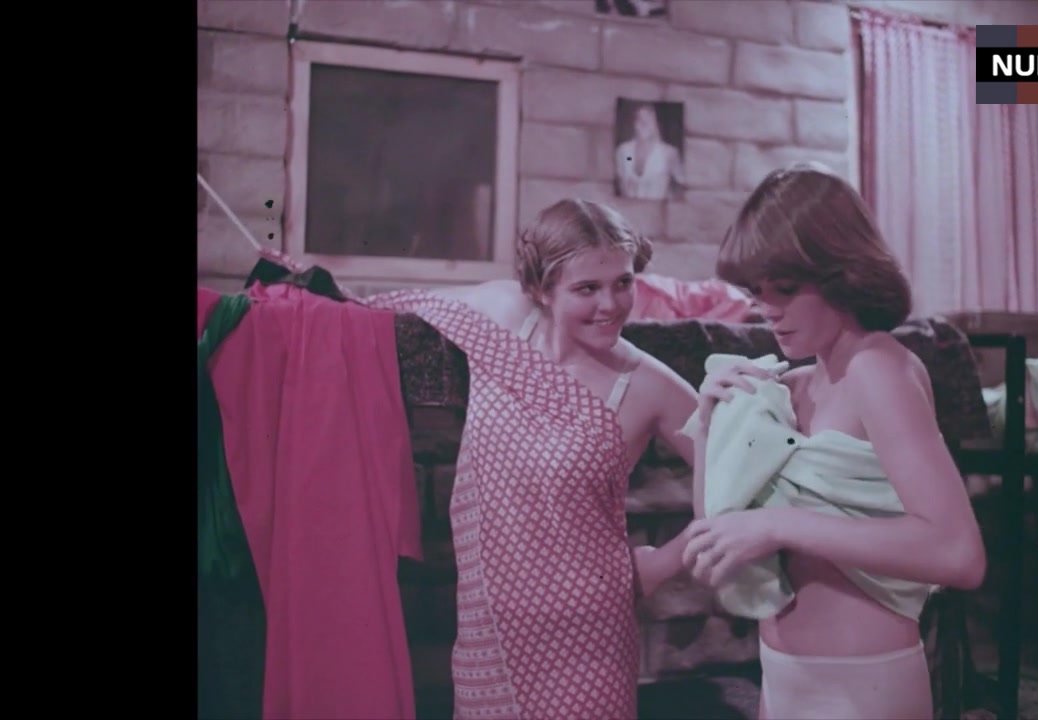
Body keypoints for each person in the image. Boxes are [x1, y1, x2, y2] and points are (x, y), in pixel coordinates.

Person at [678, 163, 987, 720]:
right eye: (757, 292)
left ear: (841, 272)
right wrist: (709, 425)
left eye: (786, 289)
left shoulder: (878, 367)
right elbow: (714, 541)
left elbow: (958, 554)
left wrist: (777, 524)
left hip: (863, 689)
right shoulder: (793, 385)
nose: (768, 309)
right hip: (781, 678)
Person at [367, 198, 697, 720]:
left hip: (591, 642)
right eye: (587, 288)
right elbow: (391, 305)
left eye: (623, 282)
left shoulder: (649, 385)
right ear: (541, 289)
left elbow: (744, 483)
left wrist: (661, 565)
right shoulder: (500, 321)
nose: (610, 304)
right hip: (488, 634)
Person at [614, 102, 686, 200]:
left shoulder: (669, 153)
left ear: (656, 125)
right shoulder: (623, 151)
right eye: (640, 119)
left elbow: (682, 186)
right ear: (634, 123)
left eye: (649, 120)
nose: (644, 124)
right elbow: (621, 184)